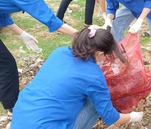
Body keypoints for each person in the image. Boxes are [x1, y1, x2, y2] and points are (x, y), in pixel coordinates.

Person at [11, 26, 143, 128]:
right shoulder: (93, 75)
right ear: (99, 54)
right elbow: (110, 117)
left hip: (21, 118)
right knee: (94, 104)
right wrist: (132, 117)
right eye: (106, 56)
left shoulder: (59, 52)